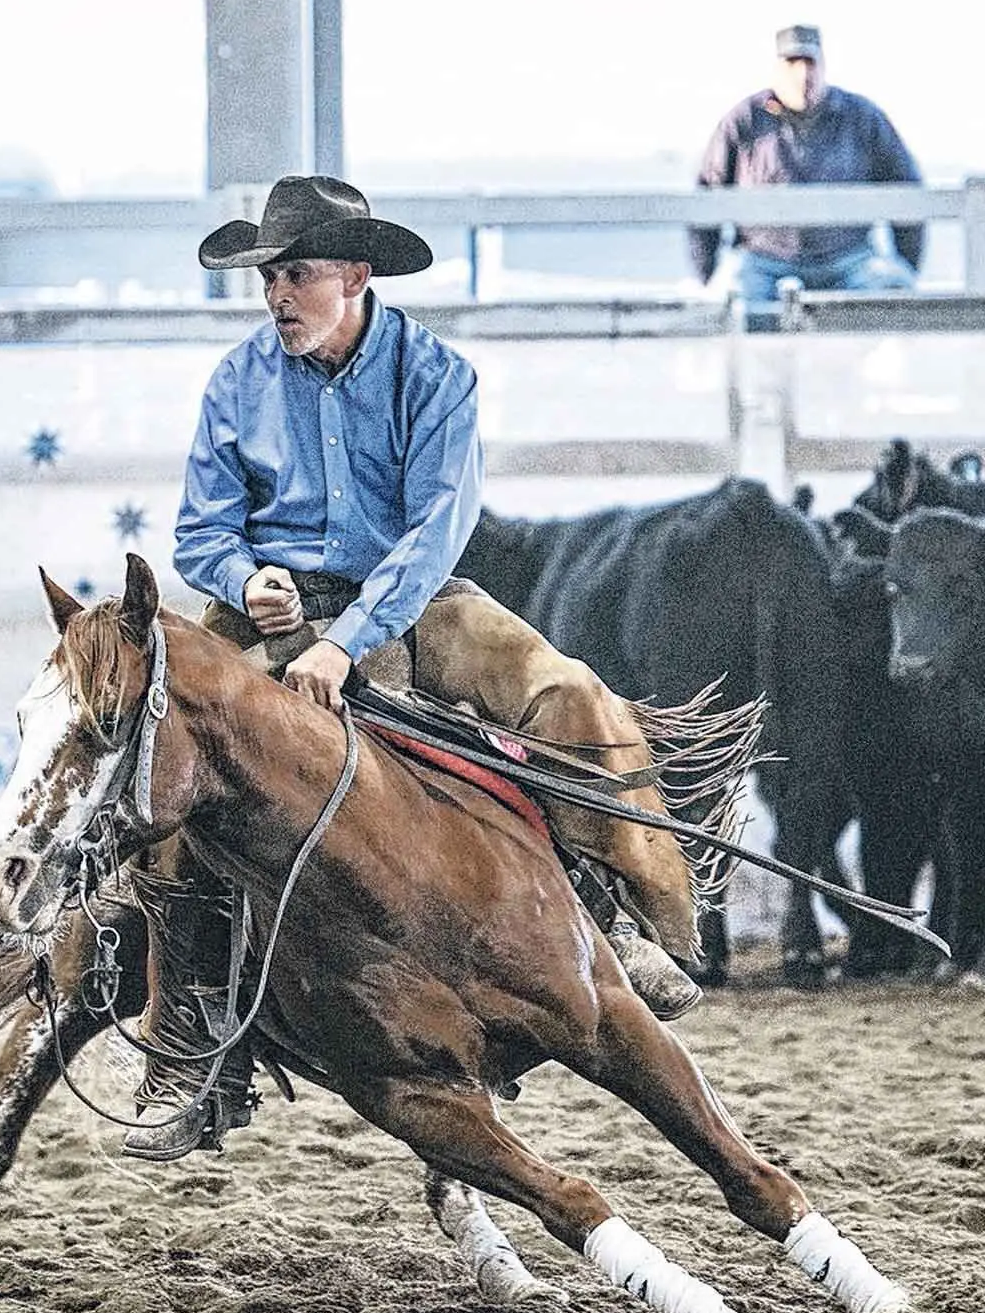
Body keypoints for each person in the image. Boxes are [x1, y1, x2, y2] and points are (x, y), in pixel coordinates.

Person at [132, 174, 708, 1160]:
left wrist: (345, 639)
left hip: (409, 597)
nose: (277, 295)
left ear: (356, 277)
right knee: (168, 749)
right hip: (268, 604)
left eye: (297, 275)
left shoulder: (436, 376)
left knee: (569, 696)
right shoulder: (236, 381)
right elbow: (201, 529)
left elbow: (435, 532)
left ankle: (623, 917)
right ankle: (188, 1030)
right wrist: (245, 575)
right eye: (269, 277)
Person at [690, 23, 925, 306]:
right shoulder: (744, 120)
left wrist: (906, 266)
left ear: (823, 65)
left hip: (849, 261)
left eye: (809, 63)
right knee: (725, 303)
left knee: (894, 295)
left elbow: (907, 191)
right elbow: (706, 195)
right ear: (777, 68)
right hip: (762, 261)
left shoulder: (862, 117)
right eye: (792, 63)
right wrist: (708, 274)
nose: (803, 74)